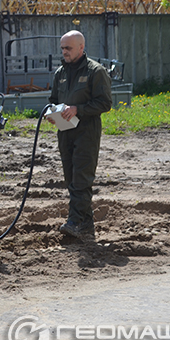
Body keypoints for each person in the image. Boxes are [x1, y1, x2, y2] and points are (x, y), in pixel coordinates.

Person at [47, 30, 112, 240]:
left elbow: (105, 103)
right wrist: (51, 112)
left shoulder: (95, 71)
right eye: (62, 48)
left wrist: (78, 109)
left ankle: (74, 222)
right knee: (71, 178)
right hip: (65, 131)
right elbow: (53, 99)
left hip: (87, 132)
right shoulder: (60, 73)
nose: (64, 52)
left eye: (68, 48)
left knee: (81, 179)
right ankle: (86, 225)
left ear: (81, 48)